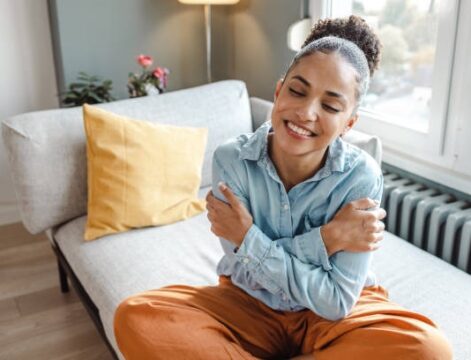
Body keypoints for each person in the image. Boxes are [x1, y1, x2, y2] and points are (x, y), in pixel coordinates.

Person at [114, 16, 452, 359]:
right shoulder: (232, 160)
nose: (306, 112)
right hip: (248, 302)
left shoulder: (361, 176)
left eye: (331, 106)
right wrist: (329, 238)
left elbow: (336, 302)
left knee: (428, 349)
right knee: (137, 316)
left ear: (348, 123)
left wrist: (250, 238)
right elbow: (246, 272)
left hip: (334, 318)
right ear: (278, 92)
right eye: (297, 91)